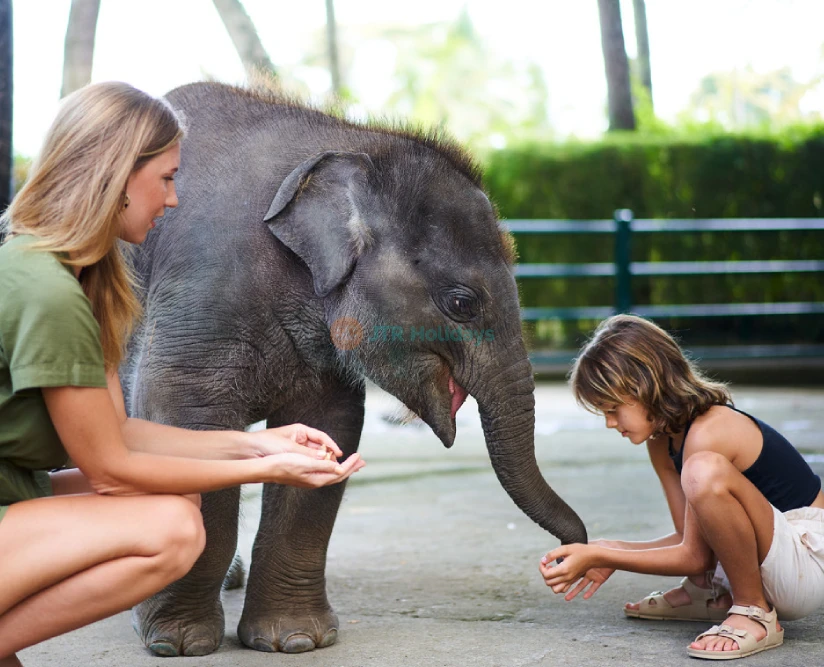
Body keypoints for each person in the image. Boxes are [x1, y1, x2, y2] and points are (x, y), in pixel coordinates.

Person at [0, 81, 365, 667]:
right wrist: (270, 468)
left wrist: (255, 442)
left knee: (179, 501)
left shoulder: (75, 278)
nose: (173, 200)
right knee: (171, 529)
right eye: (167, 178)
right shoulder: (46, 291)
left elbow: (119, 433)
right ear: (116, 172)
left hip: (13, 500)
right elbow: (113, 470)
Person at [539, 314, 824, 661]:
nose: (610, 423)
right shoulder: (662, 440)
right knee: (699, 474)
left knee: (703, 470)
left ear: (647, 387)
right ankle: (708, 593)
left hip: (806, 563)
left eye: (613, 409)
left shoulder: (709, 430)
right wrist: (606, 547)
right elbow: (690, 544)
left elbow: (694, 556)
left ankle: (753, 612)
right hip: (770, 560)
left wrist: (601, 555)